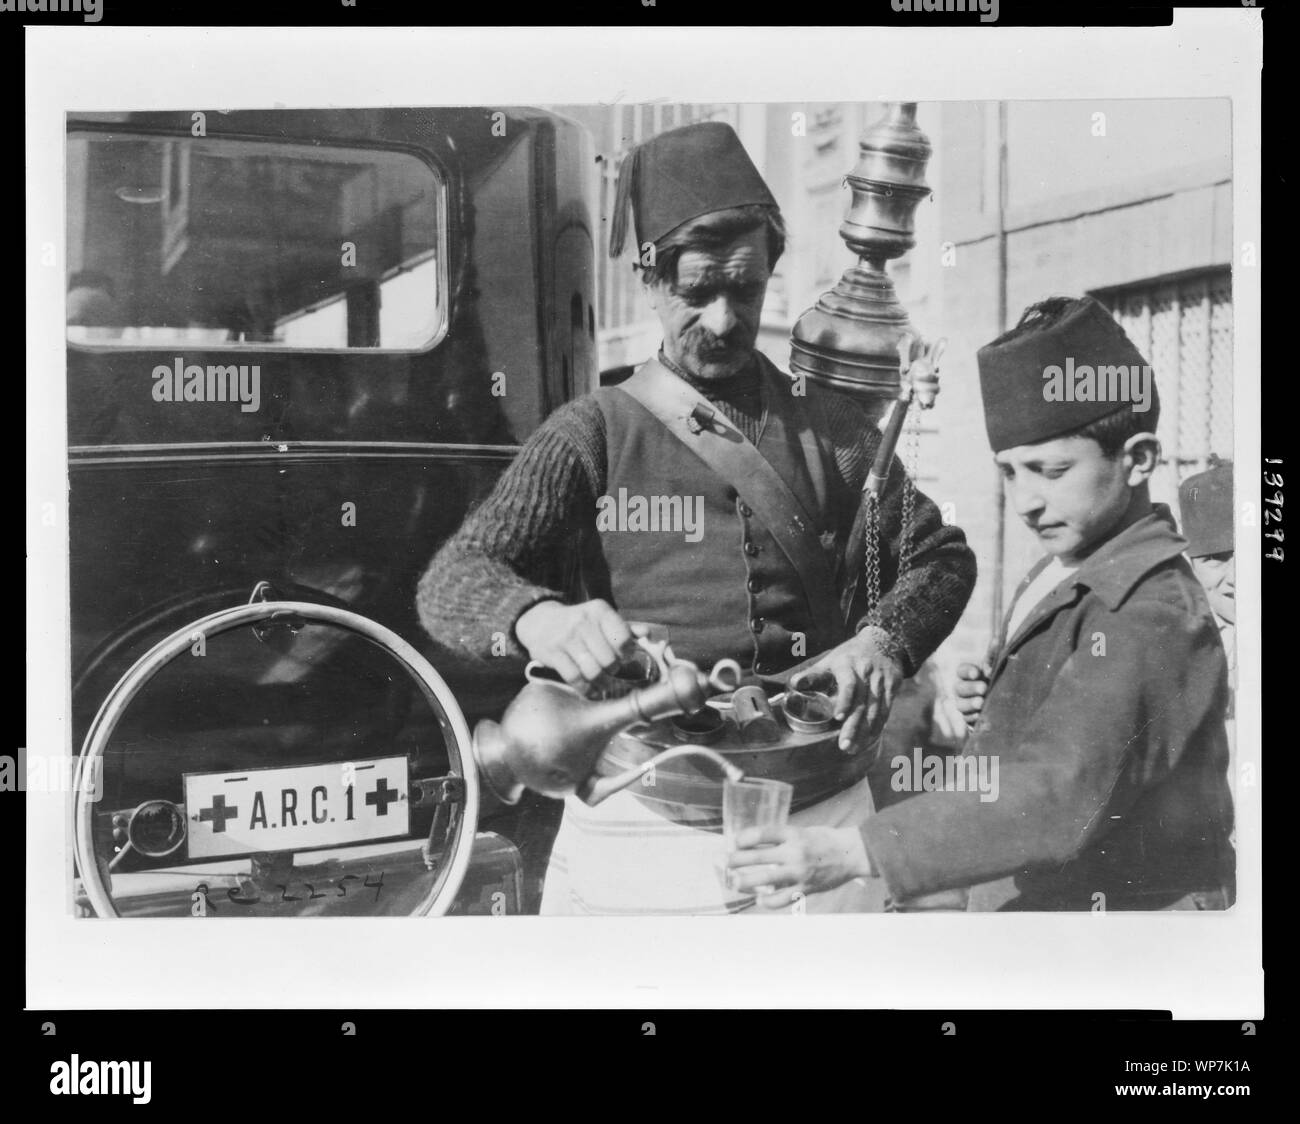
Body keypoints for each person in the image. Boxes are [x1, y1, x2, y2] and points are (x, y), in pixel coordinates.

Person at [417, 121, 976, 914]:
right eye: (696, 290)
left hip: (814, 825)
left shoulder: (833, 431)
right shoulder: (592, 432)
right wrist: (536, 617)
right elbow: (453, 581)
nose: (721, 318)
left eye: (743, 290)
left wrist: (883, 642)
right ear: (651, 281)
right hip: (646, 828)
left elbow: (942, 560)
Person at [731, 295, 1235, 911]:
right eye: (1010, 472)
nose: (1026, 500)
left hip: (1119, 934)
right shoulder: (1062, 565)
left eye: (1050, 471)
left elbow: (1058, 789)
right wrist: (998, 698)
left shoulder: (1151, 609)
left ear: (1138, 460)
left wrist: (858, 852)